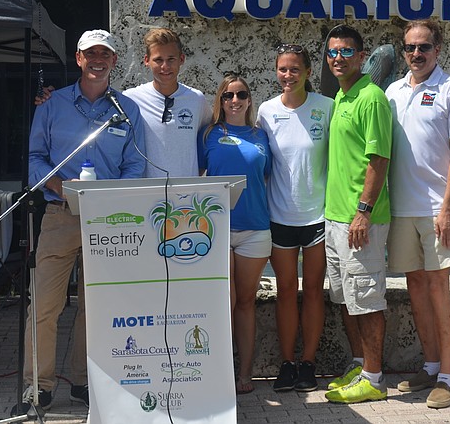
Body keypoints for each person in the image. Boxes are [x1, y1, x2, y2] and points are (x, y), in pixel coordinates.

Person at [23, 29, 146, 410]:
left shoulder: (127, 110)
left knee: (96, 307)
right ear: (78, 59)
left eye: (104, 54)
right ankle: (38, 386)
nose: (97, 60)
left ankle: (83, 381)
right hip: (60, 216)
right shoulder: (51, 105)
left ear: (113, 61)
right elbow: (34, 160)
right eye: (90, 53)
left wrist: (113, 198)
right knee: (44, 305)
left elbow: (135, 166)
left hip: (107, 220)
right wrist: (59, 187)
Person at [384, 19, 450, 409]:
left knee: (440, 290)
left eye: (424, 47)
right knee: (416, 289)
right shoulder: (391, 92)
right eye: (410, 47)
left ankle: (446, 376)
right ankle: (430, 363)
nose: (416, 54)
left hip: (438, 210)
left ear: (438, 49)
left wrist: (448, 209)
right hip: (402, 209)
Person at [321, 25, 393, 404]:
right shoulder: (340, 97)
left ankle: (375, 378)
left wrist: (363, 213)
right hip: (335, 219)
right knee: (348, 298)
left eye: (346, 52)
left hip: (359, 220)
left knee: (367, 299)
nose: (338, 58)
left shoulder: (371, 98)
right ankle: (360, 365)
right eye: (333, 52)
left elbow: (378, 159)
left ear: (362, 57)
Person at [258, 44, 333, 393]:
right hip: (279, 217)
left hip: (317, 216)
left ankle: (309, 364)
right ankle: (287, 363)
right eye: (282, 69)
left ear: (307, 72)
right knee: (286, 291)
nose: (288, 76)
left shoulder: (326, 108)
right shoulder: (266, 111)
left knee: (314, 292)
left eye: (295, 69)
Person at [198, 73, 272, 395]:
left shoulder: (261, 136)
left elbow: (265, 176)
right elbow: (196, 173)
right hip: (217, 228)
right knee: (222, 303)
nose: (235, 101)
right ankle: (219, 371)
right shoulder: (208, 135)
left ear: (249, 99)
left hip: (255, 228)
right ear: (220, 100)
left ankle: (245, 372)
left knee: (245, 302)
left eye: (241, 94)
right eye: (228, 96)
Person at [123, 28, 211, 177]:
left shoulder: (196, 99)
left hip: (187, 193)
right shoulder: (131, 99)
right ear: (146, 61)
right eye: (158, 60)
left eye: (171, 59)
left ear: (181, 59)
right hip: (146, 194)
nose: (165, 66)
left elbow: (209, 138)